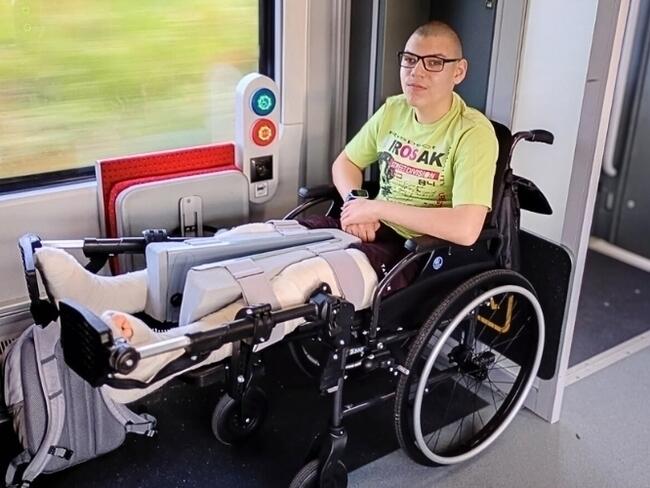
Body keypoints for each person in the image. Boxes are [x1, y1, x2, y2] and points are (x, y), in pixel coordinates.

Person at [300, 20, 498, 291]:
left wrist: (375, 208)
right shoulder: (394, 110)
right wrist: (356, 204)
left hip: (417, 253)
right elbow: (346, 162)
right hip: (374, 228)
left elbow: (466, 229)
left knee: (302, 277)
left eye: (434, 62)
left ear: (459, 71)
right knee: (279, 242)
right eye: (410, 59)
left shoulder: (473, 133)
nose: (416, 71)